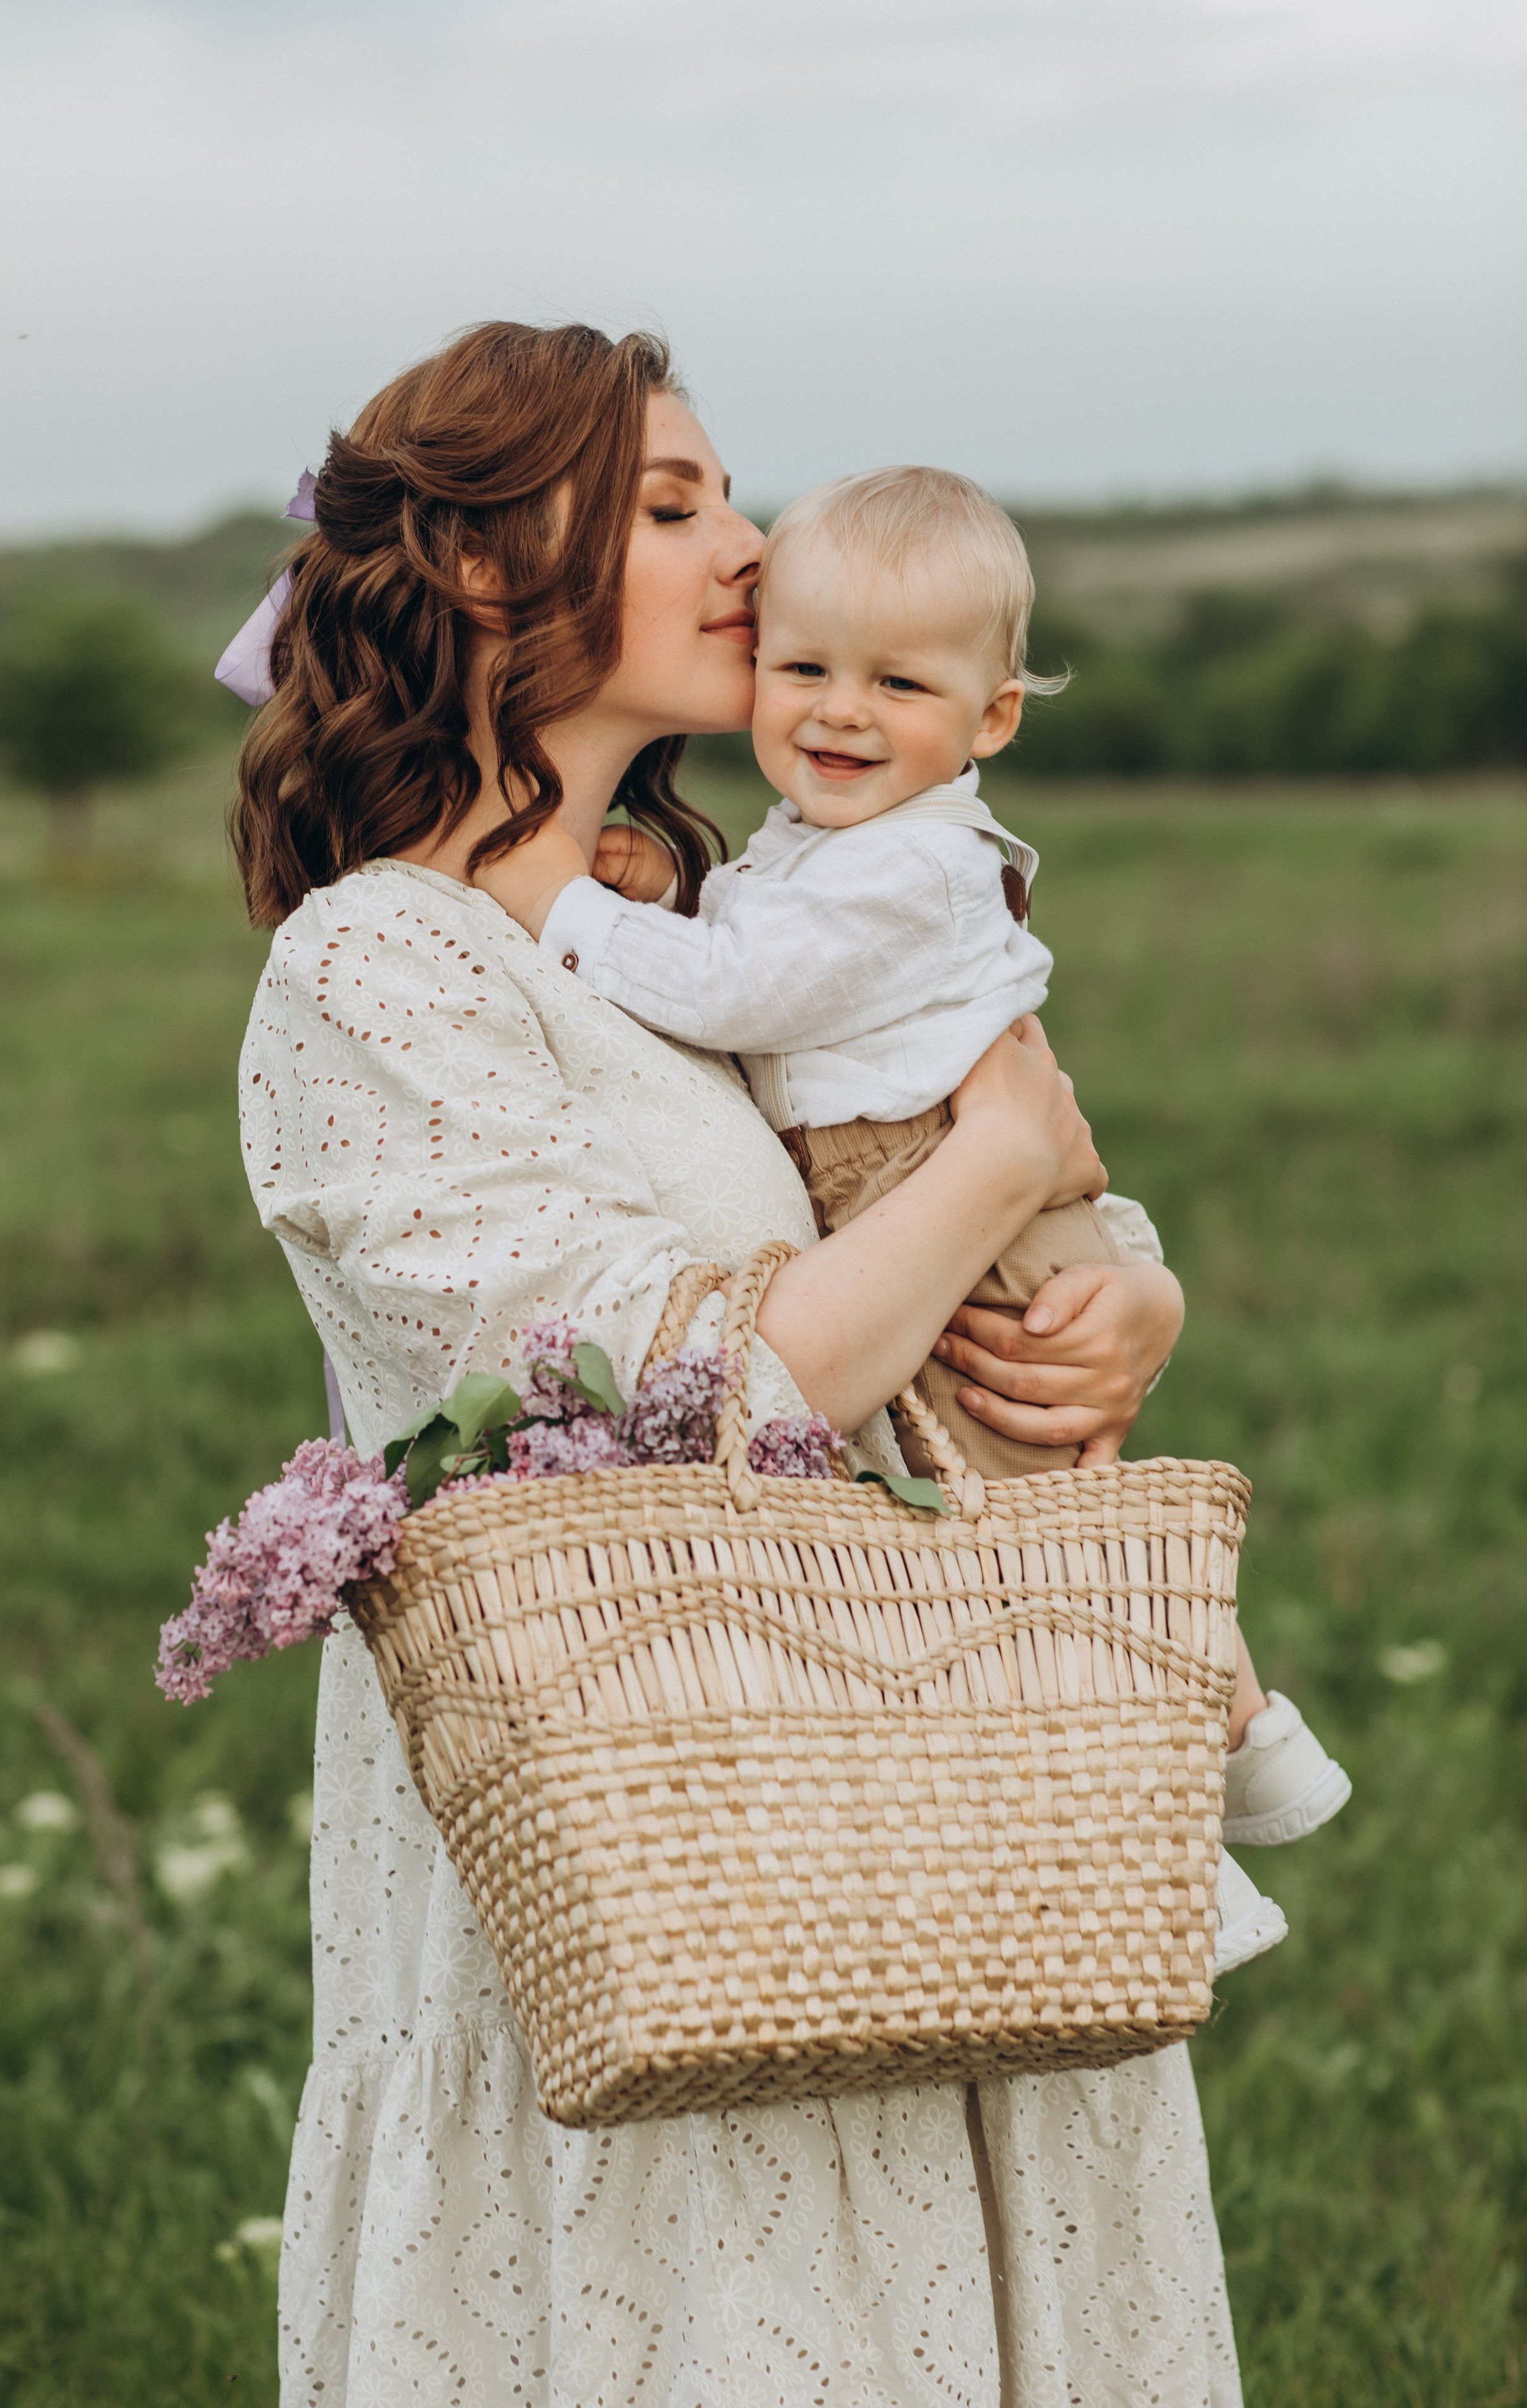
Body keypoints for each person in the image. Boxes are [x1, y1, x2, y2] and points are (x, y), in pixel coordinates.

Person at [228, 319, 1242, 2406]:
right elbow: (665, 1400)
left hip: (907, 1790)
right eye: (676, 504)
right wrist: (1007, 1168)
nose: (752, 544)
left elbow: (978, 1138)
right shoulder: (381, 963)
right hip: (634, 1822)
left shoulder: (722, 904)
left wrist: (1116, 1277)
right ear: (494, 572)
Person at [477, 462, 1350, 1877]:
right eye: (804, 666)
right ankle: (1188, 1764)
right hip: (921, 1191)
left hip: (928, 1188)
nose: (836, 709)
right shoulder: (831, 837)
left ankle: (1213, 1782)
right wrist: (660, 889)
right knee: (1022, 1516)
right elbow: (768, 953)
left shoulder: (912, 865)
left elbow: (742, 994)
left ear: (989, 720)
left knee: (1051, 1520)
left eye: (896, 687)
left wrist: (561, 902)